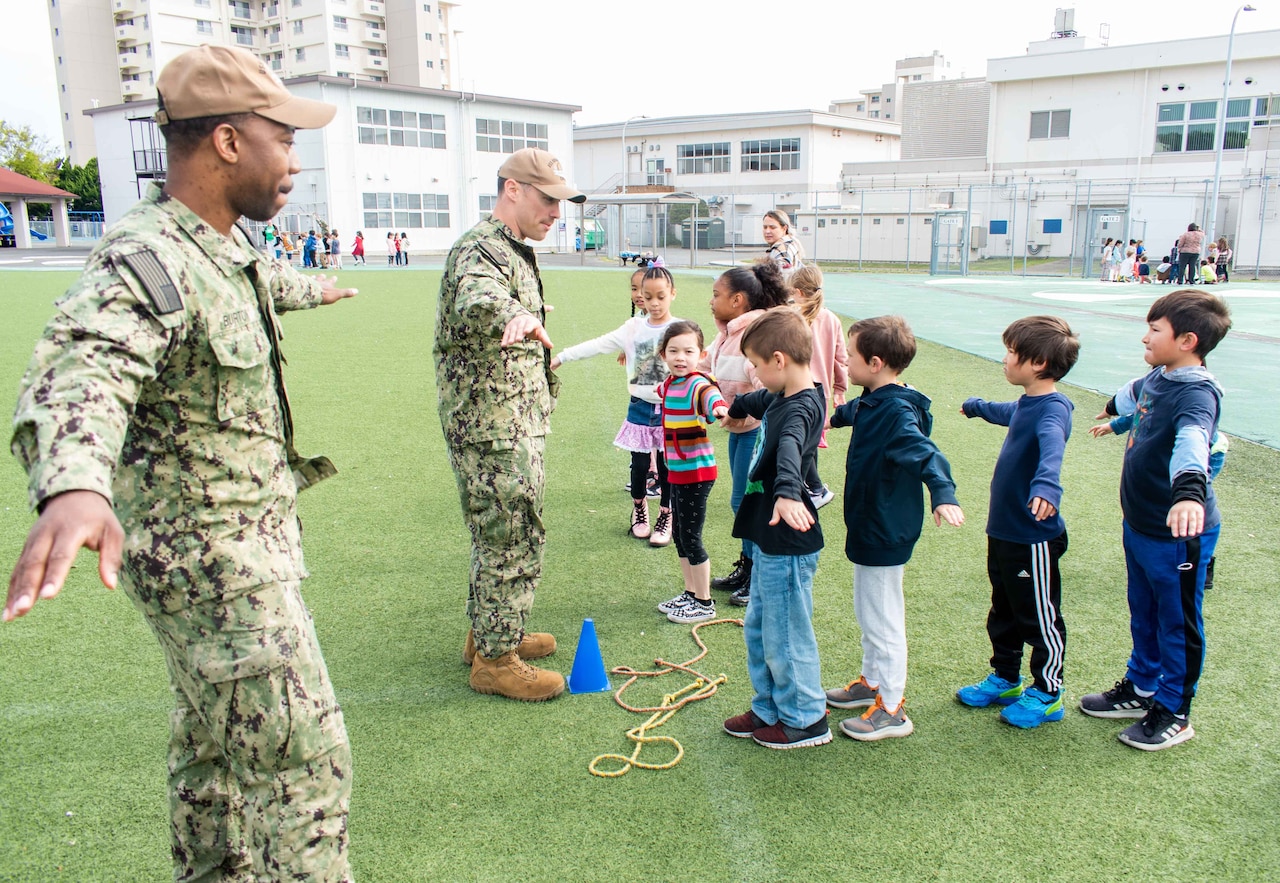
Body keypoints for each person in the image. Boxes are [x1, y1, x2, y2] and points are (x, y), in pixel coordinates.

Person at [4, 44, 358, 880]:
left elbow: (263, 286)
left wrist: (323, 287)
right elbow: (84, 360)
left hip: (237, 548)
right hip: (214, 566)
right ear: (229, 142)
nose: (295, 162)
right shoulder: (147, 254)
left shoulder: (216, 247)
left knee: (217, 758)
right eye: (284, 139)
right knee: (305, 768)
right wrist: (75, 482)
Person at [435, 147, 586, 702]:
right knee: (510, 532)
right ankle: (496, 662)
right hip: (492, 423)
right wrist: (513, 314)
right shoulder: (481, 251)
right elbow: (480, 297)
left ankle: (491, 633)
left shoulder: (511, 248)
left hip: (508, 417)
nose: (556, 213)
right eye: (548, 200)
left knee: (497, 529)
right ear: (512, 190)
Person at [1079, 289, 1231, 750]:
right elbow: (1135, 397)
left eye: (1155, 330)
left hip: (1178, 534)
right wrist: (1113, 416)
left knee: (1176, 622)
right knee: (1142, 612)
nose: (1146, 336)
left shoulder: (1198, 396)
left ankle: (1175, 710)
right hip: (1141, 523)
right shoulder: (1160, 376)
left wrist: (1189, 495)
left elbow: (1191, 442)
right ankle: (1142, 686)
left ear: (1187, 340)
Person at [823, 315, 964, 741]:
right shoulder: (875, 398)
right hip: (869, 524)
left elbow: (926, 454)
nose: (845, 362)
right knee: (868, 610)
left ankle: (892, 708)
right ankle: (871, 683)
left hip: (886, 528)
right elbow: (854, 412)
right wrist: (824, 418)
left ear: (876, 362)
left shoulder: (897, 411)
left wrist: (944, 492)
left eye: (850, 355)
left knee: (883, 617)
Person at [955, 317, 1080, 729]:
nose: (1005, 359)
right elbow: (1008, 412)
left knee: (1039, 615)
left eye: (1012, 352)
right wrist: (976, 407)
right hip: (1004, 532)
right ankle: (1006, 677)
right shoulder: (1029, 402)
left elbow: (1051, 444)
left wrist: (1047, 485)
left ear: (1039, 362)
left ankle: (1048, 691)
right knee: (1003, 610)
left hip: (1033, 537)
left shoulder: (1054, 409)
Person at [720, 309, 829, 749]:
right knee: (761, 625)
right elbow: (757, 402)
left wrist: (786, 492)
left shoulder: (800, 409)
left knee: (785, 631)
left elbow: (789, 448)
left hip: (787, 535)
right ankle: (770, 707)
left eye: (758, 367)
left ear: (779, 360)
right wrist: (736, 406)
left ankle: (804, 718)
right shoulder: (784, 395)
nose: (756, 375)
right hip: (769, 536)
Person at [551, 265, 681, 545]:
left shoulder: (679, 328)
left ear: (672, 294)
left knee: (669, 466)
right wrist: (562, 357)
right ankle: (639, 510)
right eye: (648, 296)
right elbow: (598, 344)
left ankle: (666, 515)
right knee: (639, 464)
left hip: (674, 408)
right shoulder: (633, 327)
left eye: (661, 296)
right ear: (641, 298)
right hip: (640, 406)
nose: (654, 303)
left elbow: (696, 361)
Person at [703, 262, 792, 606]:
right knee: (741, 501)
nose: (711, 301)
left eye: (716, 295)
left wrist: (743, 410)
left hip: (755, 432)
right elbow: (707, 366)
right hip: (738, 430)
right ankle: (748, 566)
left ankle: (757, 575)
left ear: (738, 300)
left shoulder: (752, 335)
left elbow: (767, 388)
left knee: (747, 502)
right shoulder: (725, 333)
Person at [653, 320, 729, 623]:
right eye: (673, 351)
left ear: (701, 354)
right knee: (681, 537)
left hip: (697, 473)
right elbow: (658, 390)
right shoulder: (671, 383)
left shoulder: (697, 383)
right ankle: (690, 593)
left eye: (688, 351)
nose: (680, 357)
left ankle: (704, 601)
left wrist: (719, 408)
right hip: (677, 471)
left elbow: (710, 396)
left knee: (691, 537)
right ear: (663, 355)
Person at [789, 264, 847, 509]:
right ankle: (811, 487)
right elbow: (840, 358)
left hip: (797, 389)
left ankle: (813, 488)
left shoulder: (792, 318)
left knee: (801, 443)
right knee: (807, 443)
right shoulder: (831, 318)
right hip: (819, 393)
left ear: (798, 292)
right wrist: (839, 390)